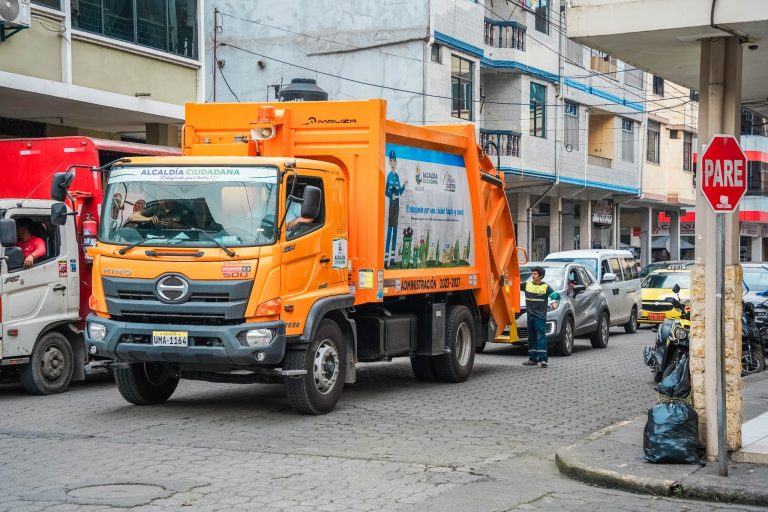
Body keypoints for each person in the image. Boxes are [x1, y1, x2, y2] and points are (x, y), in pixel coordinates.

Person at [521, 266, 560, 368]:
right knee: (531, 338)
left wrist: (555, 302)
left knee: (541, 337)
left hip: (540, 317)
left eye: (535, 274)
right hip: (530, 316)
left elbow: (556, 296)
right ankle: (532, 359)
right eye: (532, 274)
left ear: (540, 276)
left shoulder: (545, 287)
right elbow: (514, 285)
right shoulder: (527, 285)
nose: (533, 276)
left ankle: (543, 359)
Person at [384, 150, 407, 268]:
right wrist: (390, 194)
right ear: (389, 162)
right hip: (392, 204)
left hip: (397, 203)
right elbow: (386, 191)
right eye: (391, 161)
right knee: (390, 231)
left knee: (396, 231)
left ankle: (392, 258)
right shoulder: (388, 176)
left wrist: (403, 186)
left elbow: (400, 192)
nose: (393, 163)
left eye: (394, 161)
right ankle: (385, 259)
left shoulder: (397, 177)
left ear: (396, 163)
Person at [127, 199, 193, 229]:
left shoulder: (183, 209)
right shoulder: (156, 208)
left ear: (173, 200)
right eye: (161, 200)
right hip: (155, 240)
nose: (164, 202)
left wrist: (174, 225)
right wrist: (148, 219)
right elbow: (132, 217)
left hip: (181, 241)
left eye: (166, 200)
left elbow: (193, 228)